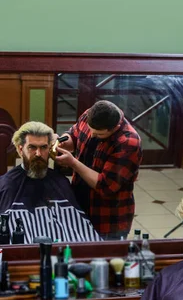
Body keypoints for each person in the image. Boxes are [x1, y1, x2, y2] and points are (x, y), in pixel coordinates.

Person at [0, 121, 100, 243]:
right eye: (32, 147)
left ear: (50, 149)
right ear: (21, 150)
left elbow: (82, 232)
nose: (38, 154)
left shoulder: (60, 181)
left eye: (43, 147)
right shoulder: (6, 184)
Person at [55, 100, 142, 240]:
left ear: (116, 127)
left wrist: (73, 163)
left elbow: (105, 186)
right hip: (80, 203)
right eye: (90, 130)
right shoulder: (90, 114)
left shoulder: (128, 142)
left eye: (99, 134)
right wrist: (63, 141)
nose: (92, 135)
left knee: (105, 259)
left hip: (108, 217)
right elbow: (74, 136)